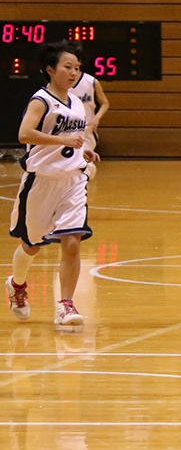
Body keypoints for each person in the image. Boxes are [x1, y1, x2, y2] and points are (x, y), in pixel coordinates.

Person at [6, 40, 101, 327]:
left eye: (77, 68)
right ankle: (16, 285)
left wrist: (82, 151)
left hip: (72, 180)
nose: (73, 73)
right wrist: (62, 140)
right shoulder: (41, 100)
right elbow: (25, 134)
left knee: (72, 242)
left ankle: (66, 305)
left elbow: (72, 140)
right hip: (41, 182)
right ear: (50, 69)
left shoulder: (76, 102)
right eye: (67, 67)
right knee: (31, 244)